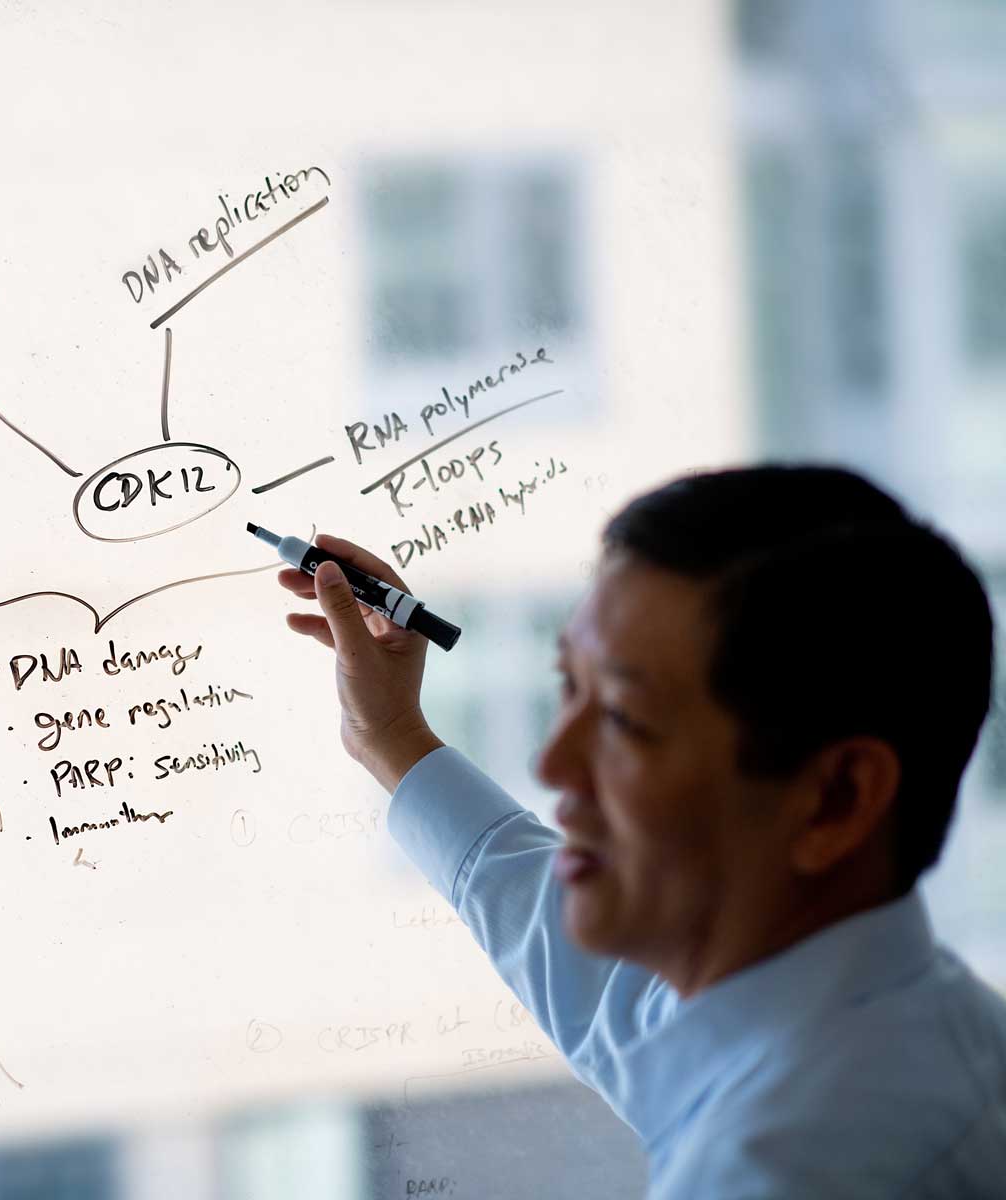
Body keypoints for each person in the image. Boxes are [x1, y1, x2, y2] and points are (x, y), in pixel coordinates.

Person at [277, 466, 1006, 1198]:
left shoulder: (783, 1172)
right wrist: (392, 736)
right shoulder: (897, 1024)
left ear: (837, 799)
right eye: (570, 690)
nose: (555, 764)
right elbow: (603, 989)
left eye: (624, 718)